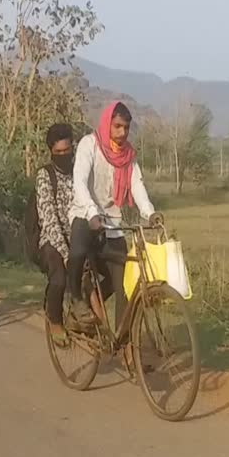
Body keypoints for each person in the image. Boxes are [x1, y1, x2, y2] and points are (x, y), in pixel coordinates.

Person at [67, 101, 163, 324]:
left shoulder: (128, 155)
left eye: (127, 128)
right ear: (107, 123)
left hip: (112, 223)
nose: (122, 132)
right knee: (78, 251)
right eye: (118, 126)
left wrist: (150, 213)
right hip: (85, 214)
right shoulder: (89, 145)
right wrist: (91, 212)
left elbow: (137, 185)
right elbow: (79, 181)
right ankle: (76, 299)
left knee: (124, 284)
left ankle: (124, 342)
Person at [35, 123, 75, 344]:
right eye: (58, 152)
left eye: (67, 151)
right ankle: (55, 319)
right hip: (51, 240)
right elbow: (49, 220)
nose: (63, 156)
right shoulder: (45, 175)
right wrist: (66, 254)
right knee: (59, 278)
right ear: (51, 151)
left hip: (77, 236)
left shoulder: (79, 171)